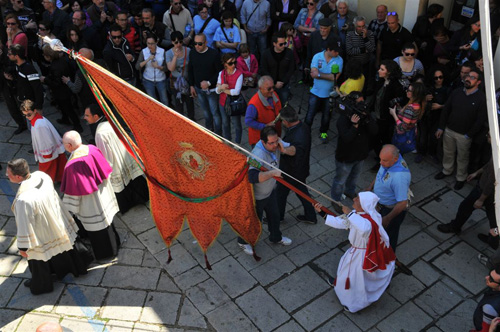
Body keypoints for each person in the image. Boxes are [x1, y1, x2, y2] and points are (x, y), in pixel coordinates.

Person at [7, 158, 88, 295]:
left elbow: (24, 224)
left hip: (41, 230)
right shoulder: (41, 175)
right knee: (65, 246)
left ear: (18, 177)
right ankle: (75, 267)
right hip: (56, 219)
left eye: (8, 174)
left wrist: (23, 247)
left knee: (38, 256)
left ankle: (42, 284)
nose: (6, 176)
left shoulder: (23, 200)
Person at [315, 191, 396, 312]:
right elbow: (343, 223)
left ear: (364, 204)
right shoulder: (358, 215)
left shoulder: (369, 221)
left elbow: (364, 228)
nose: (353, 199)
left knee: (356, 280)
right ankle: (340, 285)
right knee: (346, 272)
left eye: (357, 199)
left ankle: (353, 304)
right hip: (356, 251)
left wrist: (349, 214)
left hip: (362, 255)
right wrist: (322, 213)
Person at [61, 130, 120, 261]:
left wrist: (70, 208)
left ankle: (106, 254)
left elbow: (74, 193)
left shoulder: (72, 166)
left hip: (91, 203)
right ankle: (117, 244)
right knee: (109, 224)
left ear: (69, 145)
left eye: (64, 144)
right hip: (103, 194)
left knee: (98, 232)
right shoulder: (92, 149)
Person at [237, 126, 293, 255]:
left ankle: (275, 237)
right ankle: (243, 241)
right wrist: (272, 173)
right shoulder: (258, 155)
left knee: (275, 216)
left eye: (276, 141)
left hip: (270, 192)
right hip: (257, 197)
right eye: (271, 143)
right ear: (263, 142)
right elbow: (252, 177)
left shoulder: (276, 142)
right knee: (253, 221)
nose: (274, 145)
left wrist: (284, 149)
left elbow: (293, 150)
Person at [83, 104, 149, 214]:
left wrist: (105, 169)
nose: (85, 118)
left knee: (122, 186)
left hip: (115, 161)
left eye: (87, 115)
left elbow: (105, 155)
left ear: (95, 116)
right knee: (134, 179)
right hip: (125, 156)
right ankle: (143, 197)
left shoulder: (100, 133)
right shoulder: (110, 122)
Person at [435, 68, 486, 190]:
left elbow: (480, 120)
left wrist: (469, 134)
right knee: (448, 153)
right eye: (468, 76)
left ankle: (460, 178)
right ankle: (447, 170)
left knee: (462, 157)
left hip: (464, 135)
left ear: (478, 82)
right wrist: (441, 127)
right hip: (449, 130)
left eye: (472, 77)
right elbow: (446, 110)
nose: (468, 79)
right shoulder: (457, 92)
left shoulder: (481, 98)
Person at [366, 144, 412, 275]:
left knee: (388, 239)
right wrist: (370, 187)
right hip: (381, 205)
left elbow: (402, 203)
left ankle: (387, 267)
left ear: (396, 159)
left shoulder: (400, 177)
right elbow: (381, 173)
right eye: (380, 159)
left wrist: (388, 218)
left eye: (384, 160)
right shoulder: (388, 161)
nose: (380, 163)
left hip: (390, 211)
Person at [437, 153, 497, 249]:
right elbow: (489, 165)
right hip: (493, 193)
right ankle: (494, 240)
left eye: (489, 137)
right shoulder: (496, 151)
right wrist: (477, 172)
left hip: (483, 191)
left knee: (465, 207)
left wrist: (481, 199)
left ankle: (455, 227)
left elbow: (491, 182)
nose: (488, 138)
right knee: (494, 218)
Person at [331, 94, 377, 204]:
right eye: (359, 103)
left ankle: (350, 192)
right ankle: (336, 199)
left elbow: (375, 131)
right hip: (346, 157)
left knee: (354, 177)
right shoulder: (343, 120)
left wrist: (367, 117)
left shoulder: (365, 116)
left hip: (360, 155)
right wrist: (354, 126)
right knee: (340, 181)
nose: (362, 106)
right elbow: (346, 138)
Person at [276, 106, 316, 224]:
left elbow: (294, 150)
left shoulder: (298, 135)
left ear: (286, 122)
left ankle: (278, 217)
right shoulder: (303, 127)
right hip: (300, 169)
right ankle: (311, 216)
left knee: (280, 194)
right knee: (302, 193)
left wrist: (283, 150)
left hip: (291, 171)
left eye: (282, 120)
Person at [304, 40, 343, 143]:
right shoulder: (317, 56)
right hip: (315, 92)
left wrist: (320, 75)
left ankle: (323, 132)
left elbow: (334, 78)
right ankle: (305, 132)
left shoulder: (339, 60)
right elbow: (313, 73)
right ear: (328, 50)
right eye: (335, 51)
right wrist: (326, 75)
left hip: (329, 94)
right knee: (310, 114)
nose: (337, 53)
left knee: (327, 115)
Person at [21, 100, 67, 182]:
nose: (27, 117)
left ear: (35, 111)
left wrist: (47, 154)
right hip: (50, 151)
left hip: (47, 153)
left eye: (29, 114)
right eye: (25, 115)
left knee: (46, 173)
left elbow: (46, 140)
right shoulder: (38, 119)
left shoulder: (39, 125)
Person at [40, 45, 83, 133]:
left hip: (62, 92)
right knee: (63, 107)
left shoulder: (55, 66)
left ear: (49, 56)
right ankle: (65, 118)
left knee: (68, 108)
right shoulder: (62, 61)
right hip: (64, 91)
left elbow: (56, 83)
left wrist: (45, 79)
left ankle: (77, 126)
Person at [188, 33, 222, 135]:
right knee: (206, 112)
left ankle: (219, 134)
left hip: (211, 90)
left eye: (200, 44)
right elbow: (191, 69)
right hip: (198, 89)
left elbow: (220, 72)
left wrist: (209, 82)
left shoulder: (214, 54)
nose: (197, 46)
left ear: (206, 43)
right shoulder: (193, 53)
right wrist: (191, 85)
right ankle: (209, 131)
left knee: (215, 113)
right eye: (195, 43)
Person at [5, 44, 44, 134]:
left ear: (16, 56)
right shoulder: (18, 66)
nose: (8, 56)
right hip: (25, 103)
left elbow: (38, 88)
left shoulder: (28, 69)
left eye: (10, 54)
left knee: (38, 128)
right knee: (33, 129)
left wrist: (38, 107)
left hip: (32, 105)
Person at [371, 60, 405, 160]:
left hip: (386, 119)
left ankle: (384, 159)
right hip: (378, 115)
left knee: (384, 139)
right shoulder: (381, 81)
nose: (379, 71)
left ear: (389, 72)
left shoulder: (396, 86)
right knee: (376, 137)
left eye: (382, 69)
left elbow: (401, 99)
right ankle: (380, 156)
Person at [416, 65, 450, 163]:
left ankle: (432, 153)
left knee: (433, 137)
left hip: (438, 117)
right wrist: (425, 99)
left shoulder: (447, 90)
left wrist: (440, 106)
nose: (438, 80)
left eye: (440, 77)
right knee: (422, 136)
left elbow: (449, 104)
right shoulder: (428, 88)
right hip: (426, 116)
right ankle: (421, 153)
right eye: (436, 78)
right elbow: (417, 99)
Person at [388, 82, 426, 154]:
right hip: (409, 133)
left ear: (415, 94)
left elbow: (402, 127)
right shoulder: (418, 105)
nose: (406, 91)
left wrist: (394, 114)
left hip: (402, 136)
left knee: (396, 155)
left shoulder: (410, 108)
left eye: (409, 90)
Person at [245, 75, 282, 146]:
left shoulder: (274, 95)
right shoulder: (254, 104)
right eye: (269, 89)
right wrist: (265, 126)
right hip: (261, 141)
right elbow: (248, 121)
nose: (272, 90)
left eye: (273, 87)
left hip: (274, 137)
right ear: (260, 89)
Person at [260, 32, 296, 104]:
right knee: (269, 104)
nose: (283, 46)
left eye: (284, 43)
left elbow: (292, 68)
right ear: (274, 44)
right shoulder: (266, 54)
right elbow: (263, 70)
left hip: (284, 85)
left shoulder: (289, 53)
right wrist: (274, 83)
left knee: (283, 103)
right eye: (281, 44)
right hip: (269, 85)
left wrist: (283, 82)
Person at [166, 31, 194, 120]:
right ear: (172, 42)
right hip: (175, 81)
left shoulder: (188, 51)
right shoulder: (168, 53)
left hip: (186, 80)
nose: (178, 44)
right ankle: (181, 120)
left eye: (180, 42)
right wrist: (175, 57)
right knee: (179, 102)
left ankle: (191, 119)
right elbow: (171, 68)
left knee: (190, 102)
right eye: (176, 42)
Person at [216, 53, 244, 143]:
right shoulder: (221, 73)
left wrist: (221, 88)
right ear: (225, 64)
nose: (234, 65)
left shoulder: (239, 74)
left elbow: (236, 92)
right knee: (225, 123)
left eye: (234, 62)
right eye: (230, 63)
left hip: (234, 103)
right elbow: (217, 91)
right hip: (223, 103)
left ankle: (237, 143)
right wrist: (220, 87)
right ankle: (228, 141)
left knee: (237, 125)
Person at [136, 33, 168, 105]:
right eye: (148, 43)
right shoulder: (144, 52)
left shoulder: (162, 51)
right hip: (148, 80)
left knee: (164, 100)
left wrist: (158, 67)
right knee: (152, 101)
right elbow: (137, 66)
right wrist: (147, 60)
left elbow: (166, 68)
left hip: (161, 79)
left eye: (152, 44)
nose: (150, 46)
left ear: (156, 42)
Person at [411, 3, 444, 68]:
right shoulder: (422, 20)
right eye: (440, 12)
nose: (441, 14)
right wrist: (420, 43)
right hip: (420, 45)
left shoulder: (439, 22)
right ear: (435, 13)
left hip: (431, 47)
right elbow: (414, 32)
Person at [470, 266, 500, 332]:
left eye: (491, 279)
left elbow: (485, 330)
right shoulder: (494, 290)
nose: (486, 277)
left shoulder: (490, 308)